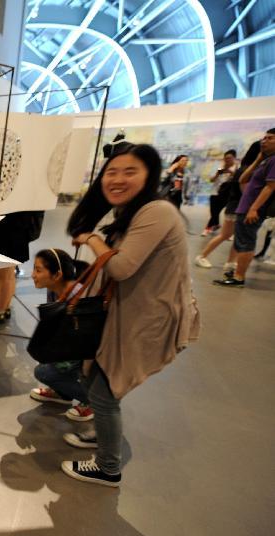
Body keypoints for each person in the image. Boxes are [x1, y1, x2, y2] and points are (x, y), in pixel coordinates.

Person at [64, 143, 199, 487]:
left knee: (104, 393)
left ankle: (108, 467)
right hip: (129, 314)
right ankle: (102, 435)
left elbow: (121, 267)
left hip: (148, 319)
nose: (118, 179)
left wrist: (93, 238)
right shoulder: (134, 213)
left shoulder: (158, 211)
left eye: (130, 171)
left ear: (149, 176)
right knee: (97, 384)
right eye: (112, 172)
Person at [28, 248, 93, 422]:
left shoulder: (78, 296)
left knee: (43, 372)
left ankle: (93, 401)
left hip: (86, 353)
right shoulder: (54, 289)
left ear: (57, 274)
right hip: (72, 345)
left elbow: (85, 337)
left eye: (38, 270)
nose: (33, 274)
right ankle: (63, 394)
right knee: (44, 357)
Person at [212, 128, 275, 287]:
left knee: (246, 242)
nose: (264, 141)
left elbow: (270, 187)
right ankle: (237, 275)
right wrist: (258, 159)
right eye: (264, 138)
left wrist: (253, 208)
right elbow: (243, 179)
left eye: (270, 138)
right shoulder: (266, 160)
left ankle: (239, 278)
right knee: (241, 242)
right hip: (245, 207)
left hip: (252, 209)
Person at [195, 141, 261, 271]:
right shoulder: (246, 170)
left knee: (236, 236)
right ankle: (202, 256)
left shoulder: (243, 168)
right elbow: (245, 192)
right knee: (225, 235)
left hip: (236, 206)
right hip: (236, 206)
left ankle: (230, 262)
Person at [203, 149, 238, 236]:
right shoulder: (220, 167)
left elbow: (238, 181)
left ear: (234, 158)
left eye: (229, 158)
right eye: (225, 158)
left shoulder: (237, 168)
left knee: (216, 211)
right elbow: (211, 180)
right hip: (215, 191)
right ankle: (216, 225)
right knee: (213, 211)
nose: (227, 160)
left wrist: (232, 173)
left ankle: (207, 228)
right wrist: (217, 173)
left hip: (226, 194)